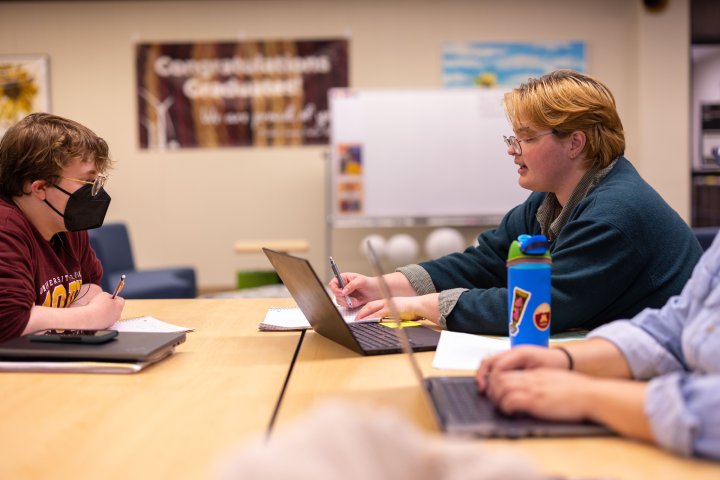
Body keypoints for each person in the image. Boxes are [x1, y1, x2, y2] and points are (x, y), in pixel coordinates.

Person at [330, 70, 702, 334]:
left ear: (575, 143)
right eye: (512, 137)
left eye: (525, 138)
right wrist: (384, 286)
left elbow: (542, 305)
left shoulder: (615, 214)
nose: (512, 150)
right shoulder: (549, 200)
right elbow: (484, 262)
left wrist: (425, 306)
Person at [476, 232, 720, 460]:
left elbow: (567, 296)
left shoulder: (614, 212)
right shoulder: (542, 206)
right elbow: (673, 328)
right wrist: (563, 360)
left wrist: (586, 395)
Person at [0, 113, 124, 342]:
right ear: (40, 187)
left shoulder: (66, 224)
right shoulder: (5, 228)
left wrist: (60, 317)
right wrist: (91, 316)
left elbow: (90, 285)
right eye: (87, 182)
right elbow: (9, 323)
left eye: (98, 182)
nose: (94, 193)